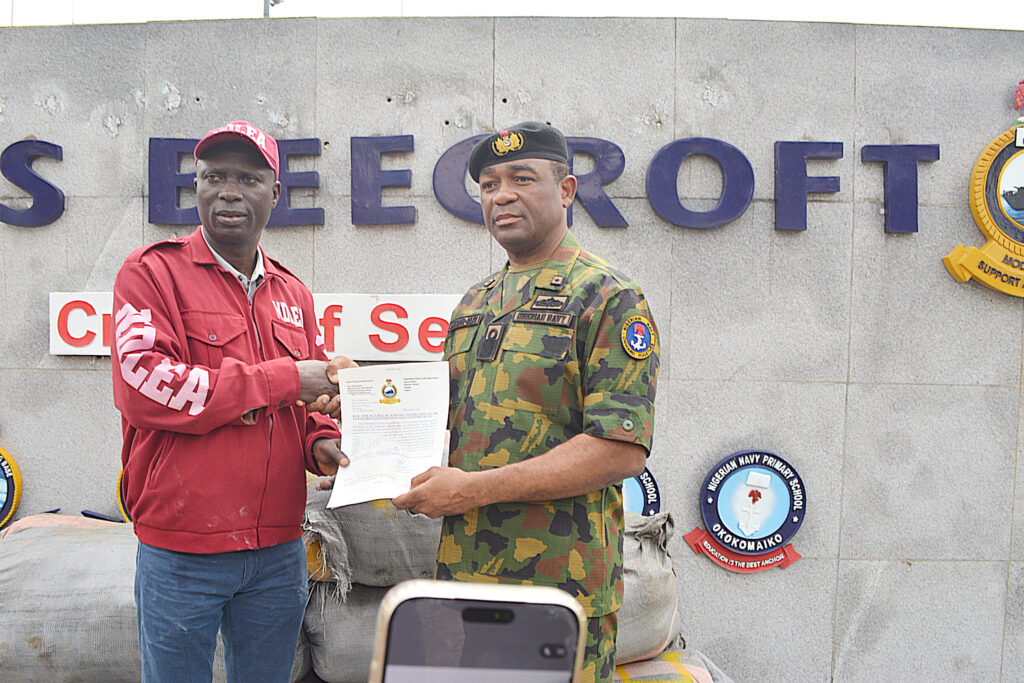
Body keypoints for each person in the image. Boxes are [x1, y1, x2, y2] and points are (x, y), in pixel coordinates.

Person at [393, 121, 660, 682]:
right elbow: (444, 409)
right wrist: (363, 404)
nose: (502, 195)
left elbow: (619, 449)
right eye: (489, 185)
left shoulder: (607, 296)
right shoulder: (476, 302)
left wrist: (470, 490)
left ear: (566, 191)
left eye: (521, 178)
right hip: (468, 580)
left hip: (558, 587)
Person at [111, 120, 352, 683]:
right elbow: (146, 387)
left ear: (275, 193)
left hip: (277, 548)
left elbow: (309, 399)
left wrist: (320, 440)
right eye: (214, 177)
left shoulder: (293, 293)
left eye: (247, 179)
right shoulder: (151, 273)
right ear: (195, 186)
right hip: (182, 548)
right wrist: (283, 380)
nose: (228, 192)